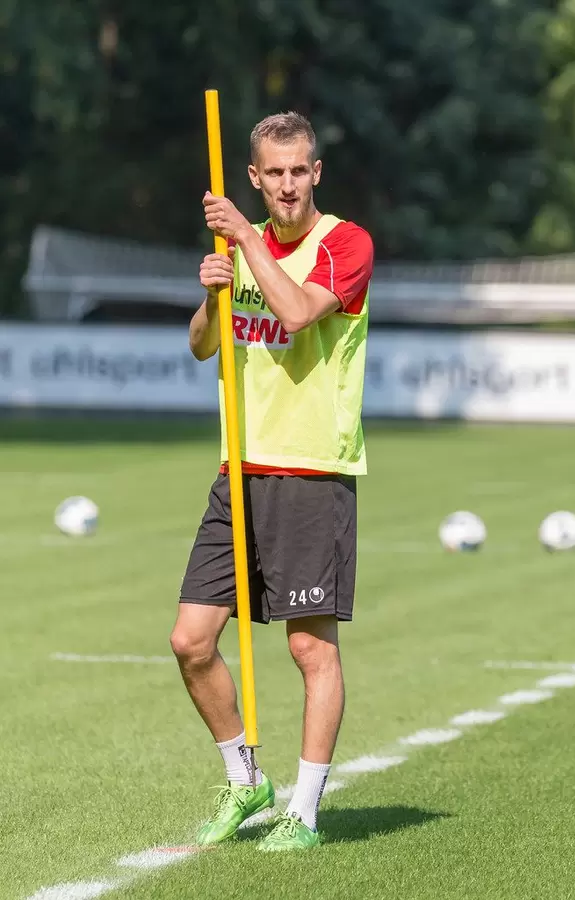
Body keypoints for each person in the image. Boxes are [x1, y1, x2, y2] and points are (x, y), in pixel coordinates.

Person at [170, 111, 373, 852]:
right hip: (240, 467)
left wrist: (246, 243)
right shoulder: (239, 242)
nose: (287, 186)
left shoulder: (345, 244)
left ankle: (305, 812)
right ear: (254, 176)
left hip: (311, 470)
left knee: (310, 651)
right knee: (191, 641)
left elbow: (294, 315)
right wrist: (211, 292)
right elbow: (202, 346)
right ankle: (243, 778)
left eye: (298, 171)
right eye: (274, 173)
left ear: (316, 172)